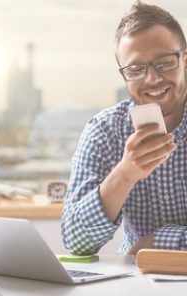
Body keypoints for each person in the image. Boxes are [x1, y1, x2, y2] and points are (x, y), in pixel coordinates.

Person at [61, 0, 187, 255]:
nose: (152, 79)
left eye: (163, 64)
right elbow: (75, 241)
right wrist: (125, 174)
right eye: (136, 70)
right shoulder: (105, 131)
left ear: (185, 61)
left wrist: (156, 242)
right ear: (124, 77)